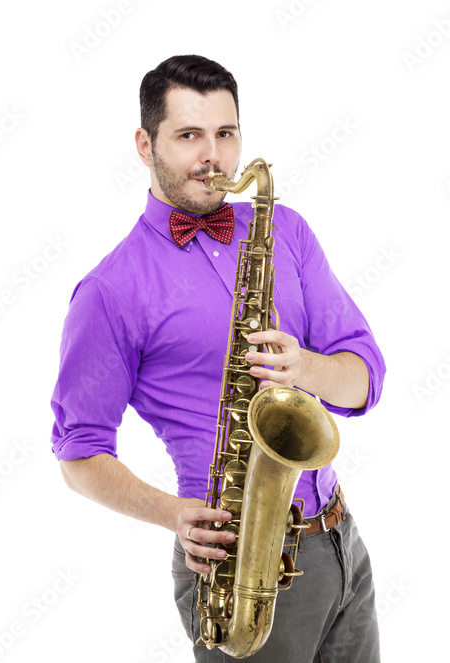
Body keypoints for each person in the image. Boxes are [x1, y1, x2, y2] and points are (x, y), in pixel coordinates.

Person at [50, 54, 386, 662]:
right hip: (236, 568)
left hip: (340, 543)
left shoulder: (286, 231)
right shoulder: (110, 291)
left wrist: (304, 368)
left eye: (225, 134)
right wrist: (172, 513)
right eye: (188, 136)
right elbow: (79, 452)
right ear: (144, 145)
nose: (213, 157)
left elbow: (366, 378)